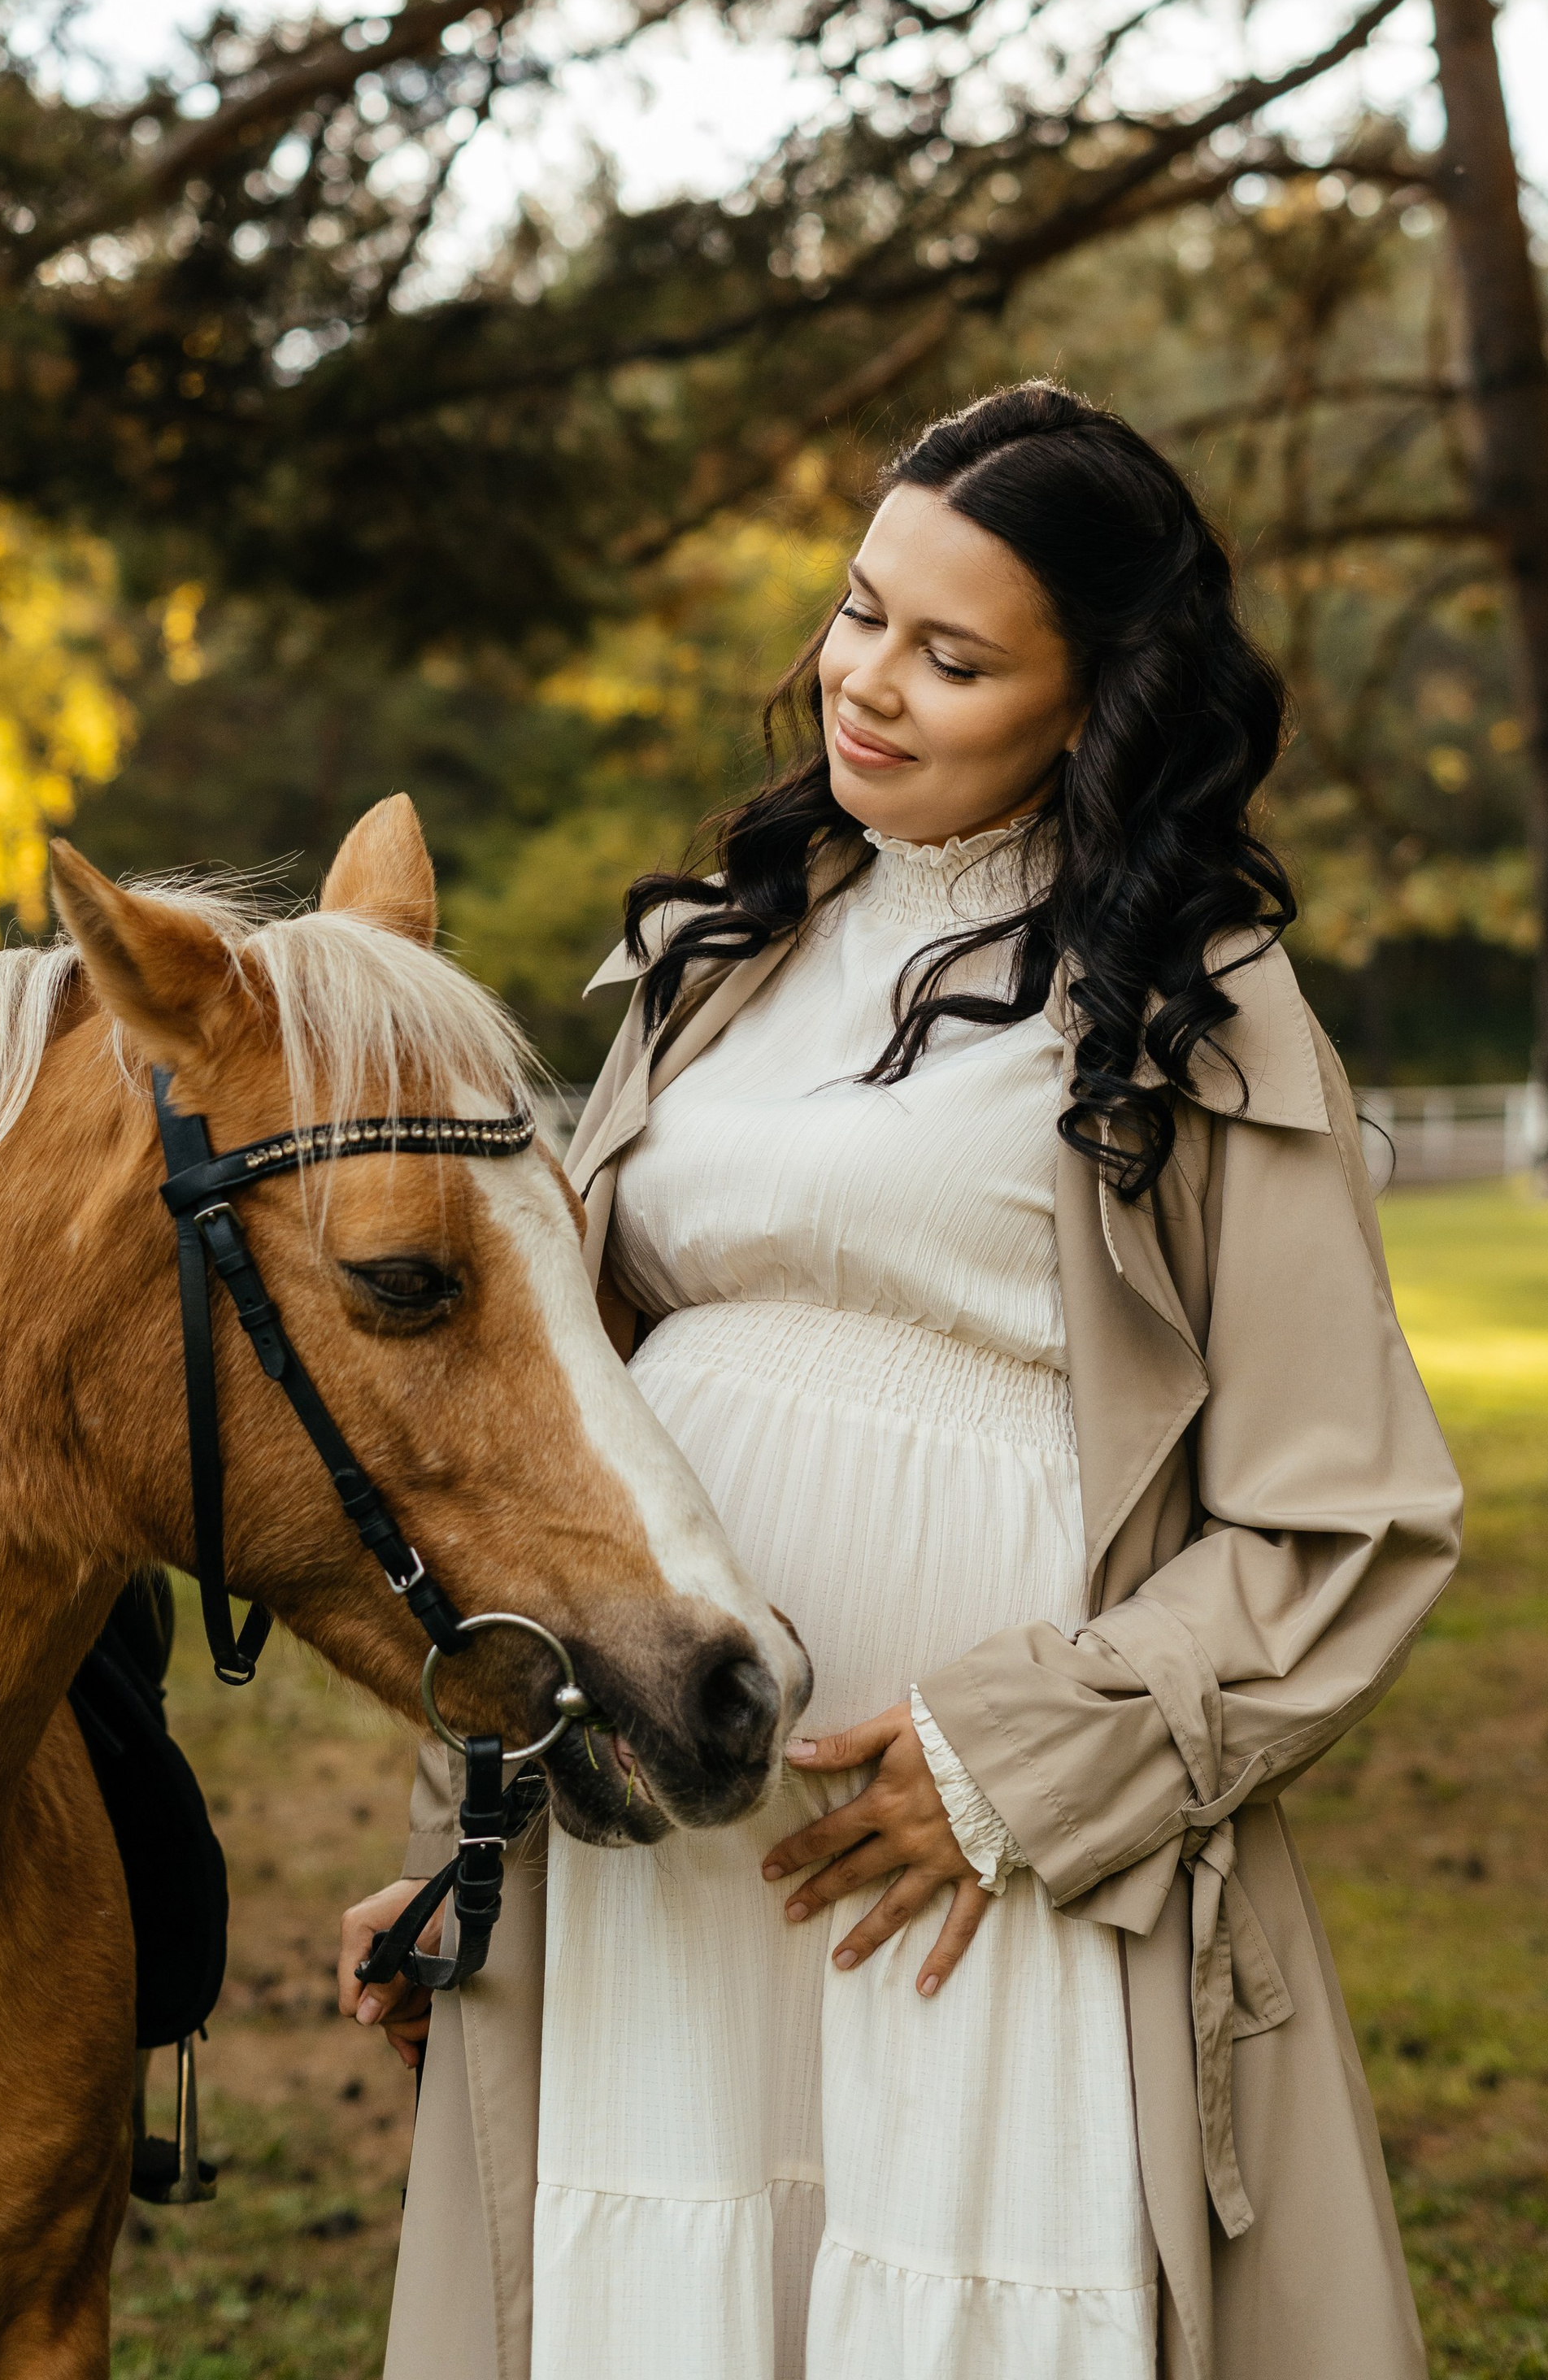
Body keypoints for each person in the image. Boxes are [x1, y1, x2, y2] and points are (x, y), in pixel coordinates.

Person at [341, 381, 1463, 2380]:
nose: (862, 684)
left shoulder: (1192, 1011)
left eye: (950, 657)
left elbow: (1343, 1524)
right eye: (861, 612)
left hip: (969, 1854)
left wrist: (1003, 1768)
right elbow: (551, 1433)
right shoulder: (720, 952)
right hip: (665, 1819)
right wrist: (465, 1845)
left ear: (1094, 698)